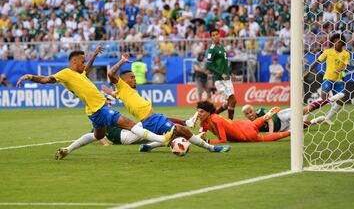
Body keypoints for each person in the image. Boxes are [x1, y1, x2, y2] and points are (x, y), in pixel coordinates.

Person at [16, 46, 171, 160]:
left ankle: (67, 150)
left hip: (92, 112)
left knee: (98, 135)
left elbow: (87, 69)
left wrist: (94, 55)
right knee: (130, 123)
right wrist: (29, 76)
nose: (84, 65)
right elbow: (46, 80)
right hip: (101, 108)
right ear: (74, 61)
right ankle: (162, 139)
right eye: (82, 61)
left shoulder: (79, 74)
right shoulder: (65, 73)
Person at [103, 53, 231, 153]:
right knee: (182, 131)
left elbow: (116, 94)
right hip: (151, 120)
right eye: (132, 78)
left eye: (135, 77)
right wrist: (122, 61)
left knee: (174, 135)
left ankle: (148, 147)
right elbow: (110, 73)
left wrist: (110, 93)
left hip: (152, 119)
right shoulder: (122, 87)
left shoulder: (122, 91)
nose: (135, 79)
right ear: (123, 81)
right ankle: (212, 148)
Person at [304, 33, 350, 125]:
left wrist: (341, 69)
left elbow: (346, 66)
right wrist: (308, 71)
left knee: (341, 100)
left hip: (339, 80)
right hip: (328, 78)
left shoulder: (346, 53)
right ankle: (305, 113)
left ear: (343, 43)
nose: (336, 43)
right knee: (323, 99)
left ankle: (327, 118)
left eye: (338, 41)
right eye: (334, 41)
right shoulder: (328, 51)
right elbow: (317, 62)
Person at [197, 101, 290, 143]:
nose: (199, 114)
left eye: (201, 112)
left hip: (245, 134)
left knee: (263, 138)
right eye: (198, 111)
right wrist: (199, 136)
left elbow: (223, 140)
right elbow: (202, 132)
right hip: (242, 124)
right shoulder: (205, 121)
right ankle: (264, 117)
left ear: (208, 112)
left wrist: (207, 141)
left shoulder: (215, 120)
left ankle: (289, 132)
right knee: (254, 123)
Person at [206, 28, 237, 119]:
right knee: (233, 100)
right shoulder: (212, 49)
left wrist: (230, 73)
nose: (216, 36)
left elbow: (225, 63)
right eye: (213, 35)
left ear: (219, 35)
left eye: (217, 34)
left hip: (227, 78)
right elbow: (209, 65)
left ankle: (212, 115)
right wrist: (220, 74)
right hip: (219, 79)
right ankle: (230, 122)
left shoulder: (223, 47)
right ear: (211, 37)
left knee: (230, 102)